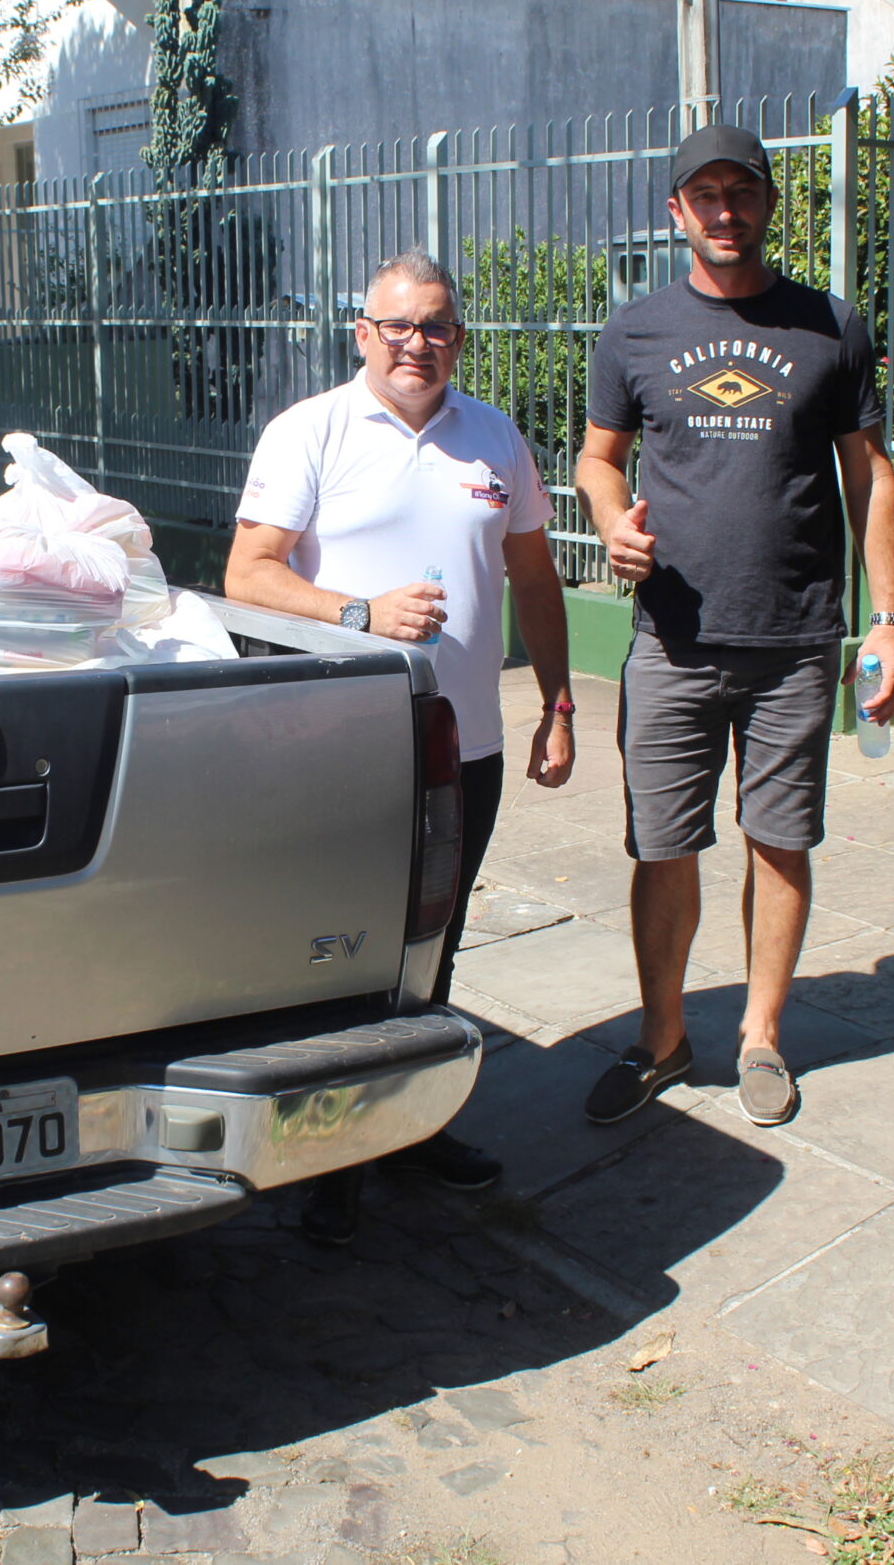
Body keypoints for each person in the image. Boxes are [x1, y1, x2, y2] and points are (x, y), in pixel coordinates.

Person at [226, 248, 576, 1245]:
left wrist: (558, 702)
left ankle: (412, 1126)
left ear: (458, 338)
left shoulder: (493, 439)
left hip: (464, 746)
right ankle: (327, 1154)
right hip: (340, 743)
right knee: (339, 946)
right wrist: (359, 611)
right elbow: (247, 573)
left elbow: (537, 580)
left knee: (435, 942)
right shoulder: (312, 432)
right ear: (361, 332)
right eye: (397, 325)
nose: (416, 344)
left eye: (436, 327)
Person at [572, 124, 894, 1130]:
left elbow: (870, 474)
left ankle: (761, 1036)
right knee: (661, 846)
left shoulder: (829, 326)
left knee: (778, 841)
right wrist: (606, 522)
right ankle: (662, 1040)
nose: (725, 210)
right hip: (671, 638)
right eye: (704, 195)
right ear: (676, 212)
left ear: (767, 201)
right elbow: (597, 459)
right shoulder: (632, 332)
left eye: (742, 191)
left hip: (795, 638)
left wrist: (886, 620)